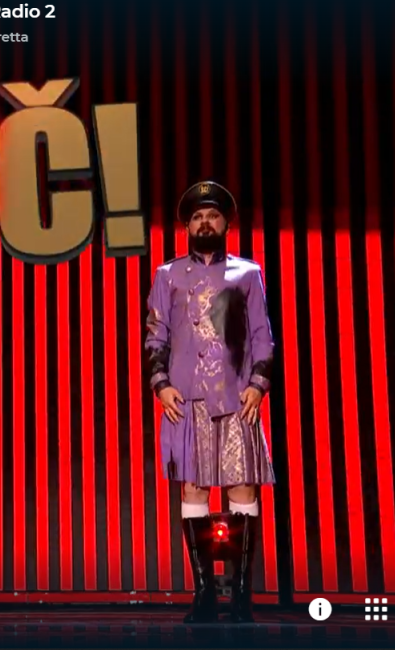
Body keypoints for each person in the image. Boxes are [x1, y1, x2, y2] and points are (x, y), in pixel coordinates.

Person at [144, 181, 275, 624]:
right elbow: (155, 334)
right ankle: (203, 593)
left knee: (242, 488)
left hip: (238, 396)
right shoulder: (167, 275)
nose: (205, 223)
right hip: (186, 397)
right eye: (197, 217)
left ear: (225, 225)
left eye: (212, 216)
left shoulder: (247, 273)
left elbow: (262, 334)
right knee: (193, 489)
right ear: (187, 226)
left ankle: (240, 595)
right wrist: (161, 384)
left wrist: (258, 383)